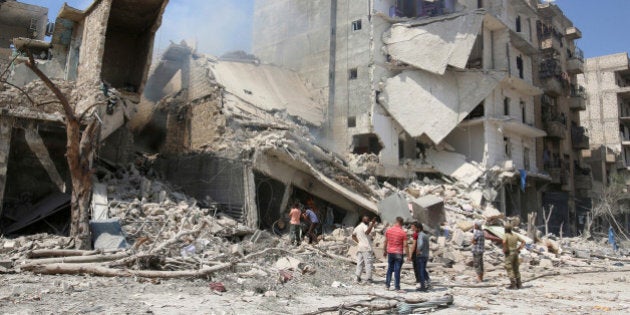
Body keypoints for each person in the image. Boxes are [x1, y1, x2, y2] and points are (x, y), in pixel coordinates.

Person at [383, 217, 407, 292]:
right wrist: (409, 256)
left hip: (390, 252)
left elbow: (385, 242)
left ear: (395, 221)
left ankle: (387, 285)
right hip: (399, 253)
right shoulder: (403, 232)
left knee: (390, 269)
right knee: (397, 270)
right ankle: (397, 287)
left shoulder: (389, 230)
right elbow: (406, 245)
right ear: (402, 223)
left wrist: (384, 251)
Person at [352, 216, 377, 284]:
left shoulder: (358, 227)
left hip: (360, 247)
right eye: (368, 220)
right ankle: (368, 279)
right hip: (366, 248)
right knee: (368, 264)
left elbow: (353, 236)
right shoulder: (365, 226)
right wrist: (372, 224)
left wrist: (359, 242)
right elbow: (367, 232)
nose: (369, 221)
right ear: (364, 220)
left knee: (359, 263)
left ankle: (357, 278)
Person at [409, 222, 431, 291]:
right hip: (426, 255)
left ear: (418, 228)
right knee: (423, 269)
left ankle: (422, 286)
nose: (413, 229)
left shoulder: (420, 235)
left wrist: (418, 250)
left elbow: (420, 244)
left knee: (420, 271)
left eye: (414, 228)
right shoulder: (426, 235)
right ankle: (427, 281)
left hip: (421, 256)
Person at [503, 224, 525, 289]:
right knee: (516, 268)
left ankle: (513, 285)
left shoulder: (506, 235)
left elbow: (504, 242)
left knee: (509, 268)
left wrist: (505, 249)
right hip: (515, 252)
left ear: (505, 229)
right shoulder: (515, 235)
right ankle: (519, 284)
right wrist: (519, 249)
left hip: (509, 253)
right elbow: (523, 241)